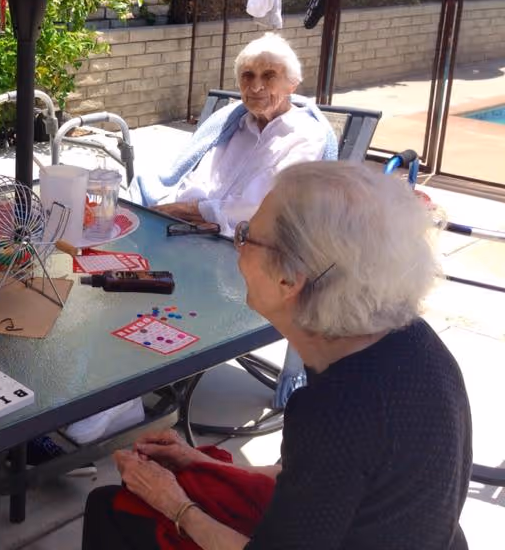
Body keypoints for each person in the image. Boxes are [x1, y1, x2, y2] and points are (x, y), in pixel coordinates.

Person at [83, 161, 471, 550]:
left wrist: (174, 504)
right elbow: (329, 480)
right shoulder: (408, 341)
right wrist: (202, 462)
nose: (237, 245)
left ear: (289, 280)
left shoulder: (336, 408)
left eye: (247, 235)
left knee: (111, 509)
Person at [130, 33, 337, 238]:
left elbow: (263, 205)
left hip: (245, 244)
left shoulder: (306, 136)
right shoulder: (232, 125)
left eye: (269, 75)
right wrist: (187, 211)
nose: (255, 86)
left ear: (292, 84)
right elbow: (198, 177)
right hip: (189, 229)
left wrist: (194, 211)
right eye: (248, 75)